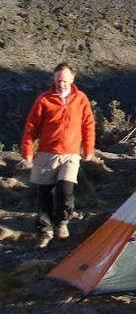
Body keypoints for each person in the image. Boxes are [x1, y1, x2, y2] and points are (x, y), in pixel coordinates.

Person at [21, 62, 97, 249]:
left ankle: (62, 222)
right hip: (47, 153)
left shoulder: (80, 99)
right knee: (44, 195)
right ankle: (45, 231)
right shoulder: (44, 99)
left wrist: (89, 148)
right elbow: (31, 127)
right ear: (53, 80)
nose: (61, 84)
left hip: (70, 154)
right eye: (57, 80)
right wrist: (28, 150)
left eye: (64, 80)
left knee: (65, 190)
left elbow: (88, 124)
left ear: (72, 79)